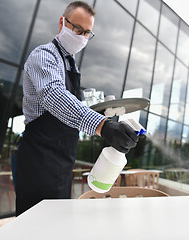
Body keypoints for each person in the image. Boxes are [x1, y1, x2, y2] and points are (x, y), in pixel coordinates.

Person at [16, 1, 138, 216]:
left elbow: (73, 108)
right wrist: (103, 126)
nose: (82, 37)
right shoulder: (44, 55)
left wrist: (101, 112)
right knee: (35, 224)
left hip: (63, 160)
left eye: (87, 33)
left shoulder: (70, 64)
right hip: (38, 158)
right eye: (78, 29)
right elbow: (55, 97)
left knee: (58, 222)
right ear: (62, 22)